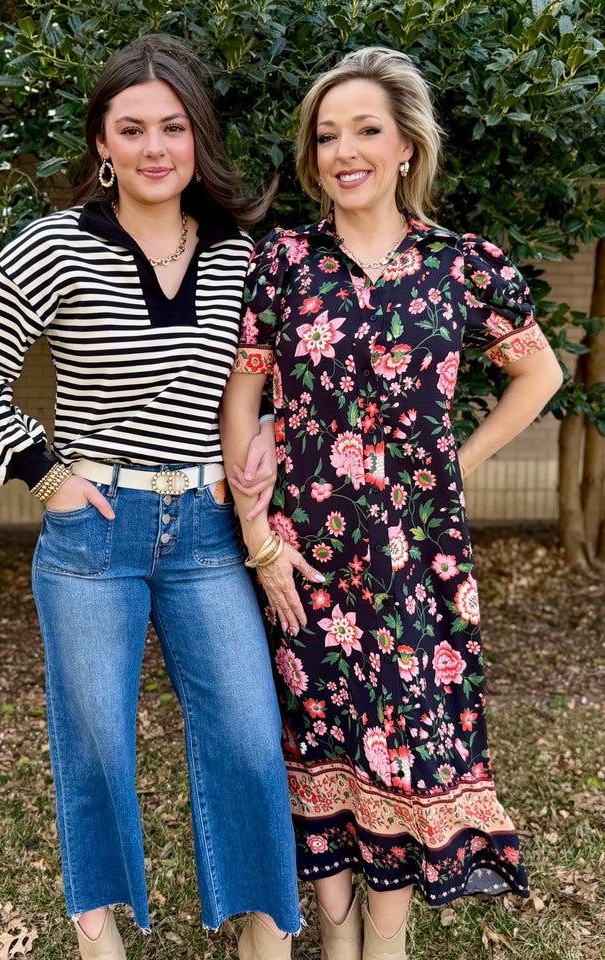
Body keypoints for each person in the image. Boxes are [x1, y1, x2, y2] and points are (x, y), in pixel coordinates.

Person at [0, 34, 306, 960]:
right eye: (131, 128)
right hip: (94, 538)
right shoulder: (54, 245)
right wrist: (44, 474)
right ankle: (103, 945)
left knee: (253, 745)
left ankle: (269, 942)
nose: (153, 148)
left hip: (211, 531)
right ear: (102, 140)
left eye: (172, 128)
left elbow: (261, 382)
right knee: (97, 746)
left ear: (196, 139)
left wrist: (266, 435)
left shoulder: (238, 253)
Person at [220, 46, 563, 960]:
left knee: (404, 741)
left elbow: (540, 371)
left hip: (419, 559)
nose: (345, 151)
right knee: (318, 741)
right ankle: (336, 943)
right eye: (327, 135)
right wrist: (258, 539)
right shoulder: (286, 261)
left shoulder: (463, 265)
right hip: (306, 557)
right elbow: (242, 404)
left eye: (366, 130)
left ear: (407, 144)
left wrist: (458, 457)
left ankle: (387, 942)